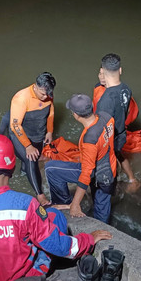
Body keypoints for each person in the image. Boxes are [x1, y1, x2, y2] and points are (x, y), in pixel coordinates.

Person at [0, 134, 112, 281]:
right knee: (56, 217)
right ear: (12, 165)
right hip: (20, 280)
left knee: (45, 216)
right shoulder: (24, 204)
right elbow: (55, 243)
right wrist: (88, 240)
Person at [45, 94, 117, 223]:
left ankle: (66, 205)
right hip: (110, 169)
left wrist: (75, 204)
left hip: (98, 177)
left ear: (75, 115)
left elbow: (86, 173)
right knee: (102, 208)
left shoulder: (90, 139)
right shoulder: (106, 117)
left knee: (51, 169)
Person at [1, 72, 55, 206]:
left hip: (37, 133)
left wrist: (49, 131)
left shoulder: (47, 94)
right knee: (31, 158)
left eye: (48, 94)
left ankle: (25, 171)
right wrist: (27, 146)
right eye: (42, 93)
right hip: (20, 134)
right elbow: (15, 125)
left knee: (33, 159)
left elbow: (50, 113)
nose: (45, 97)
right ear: (35, 87)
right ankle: (40, 195)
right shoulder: (21, 98)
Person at [95, 54, 137, 183]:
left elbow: (101, 129)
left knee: (108, 162)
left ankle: (112, 182)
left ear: (102, 71)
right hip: (121, 134)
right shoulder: (126, 88)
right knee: (119, 154)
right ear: (120, 70)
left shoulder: (106, 100)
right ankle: (132, 179)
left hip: (111, 138)